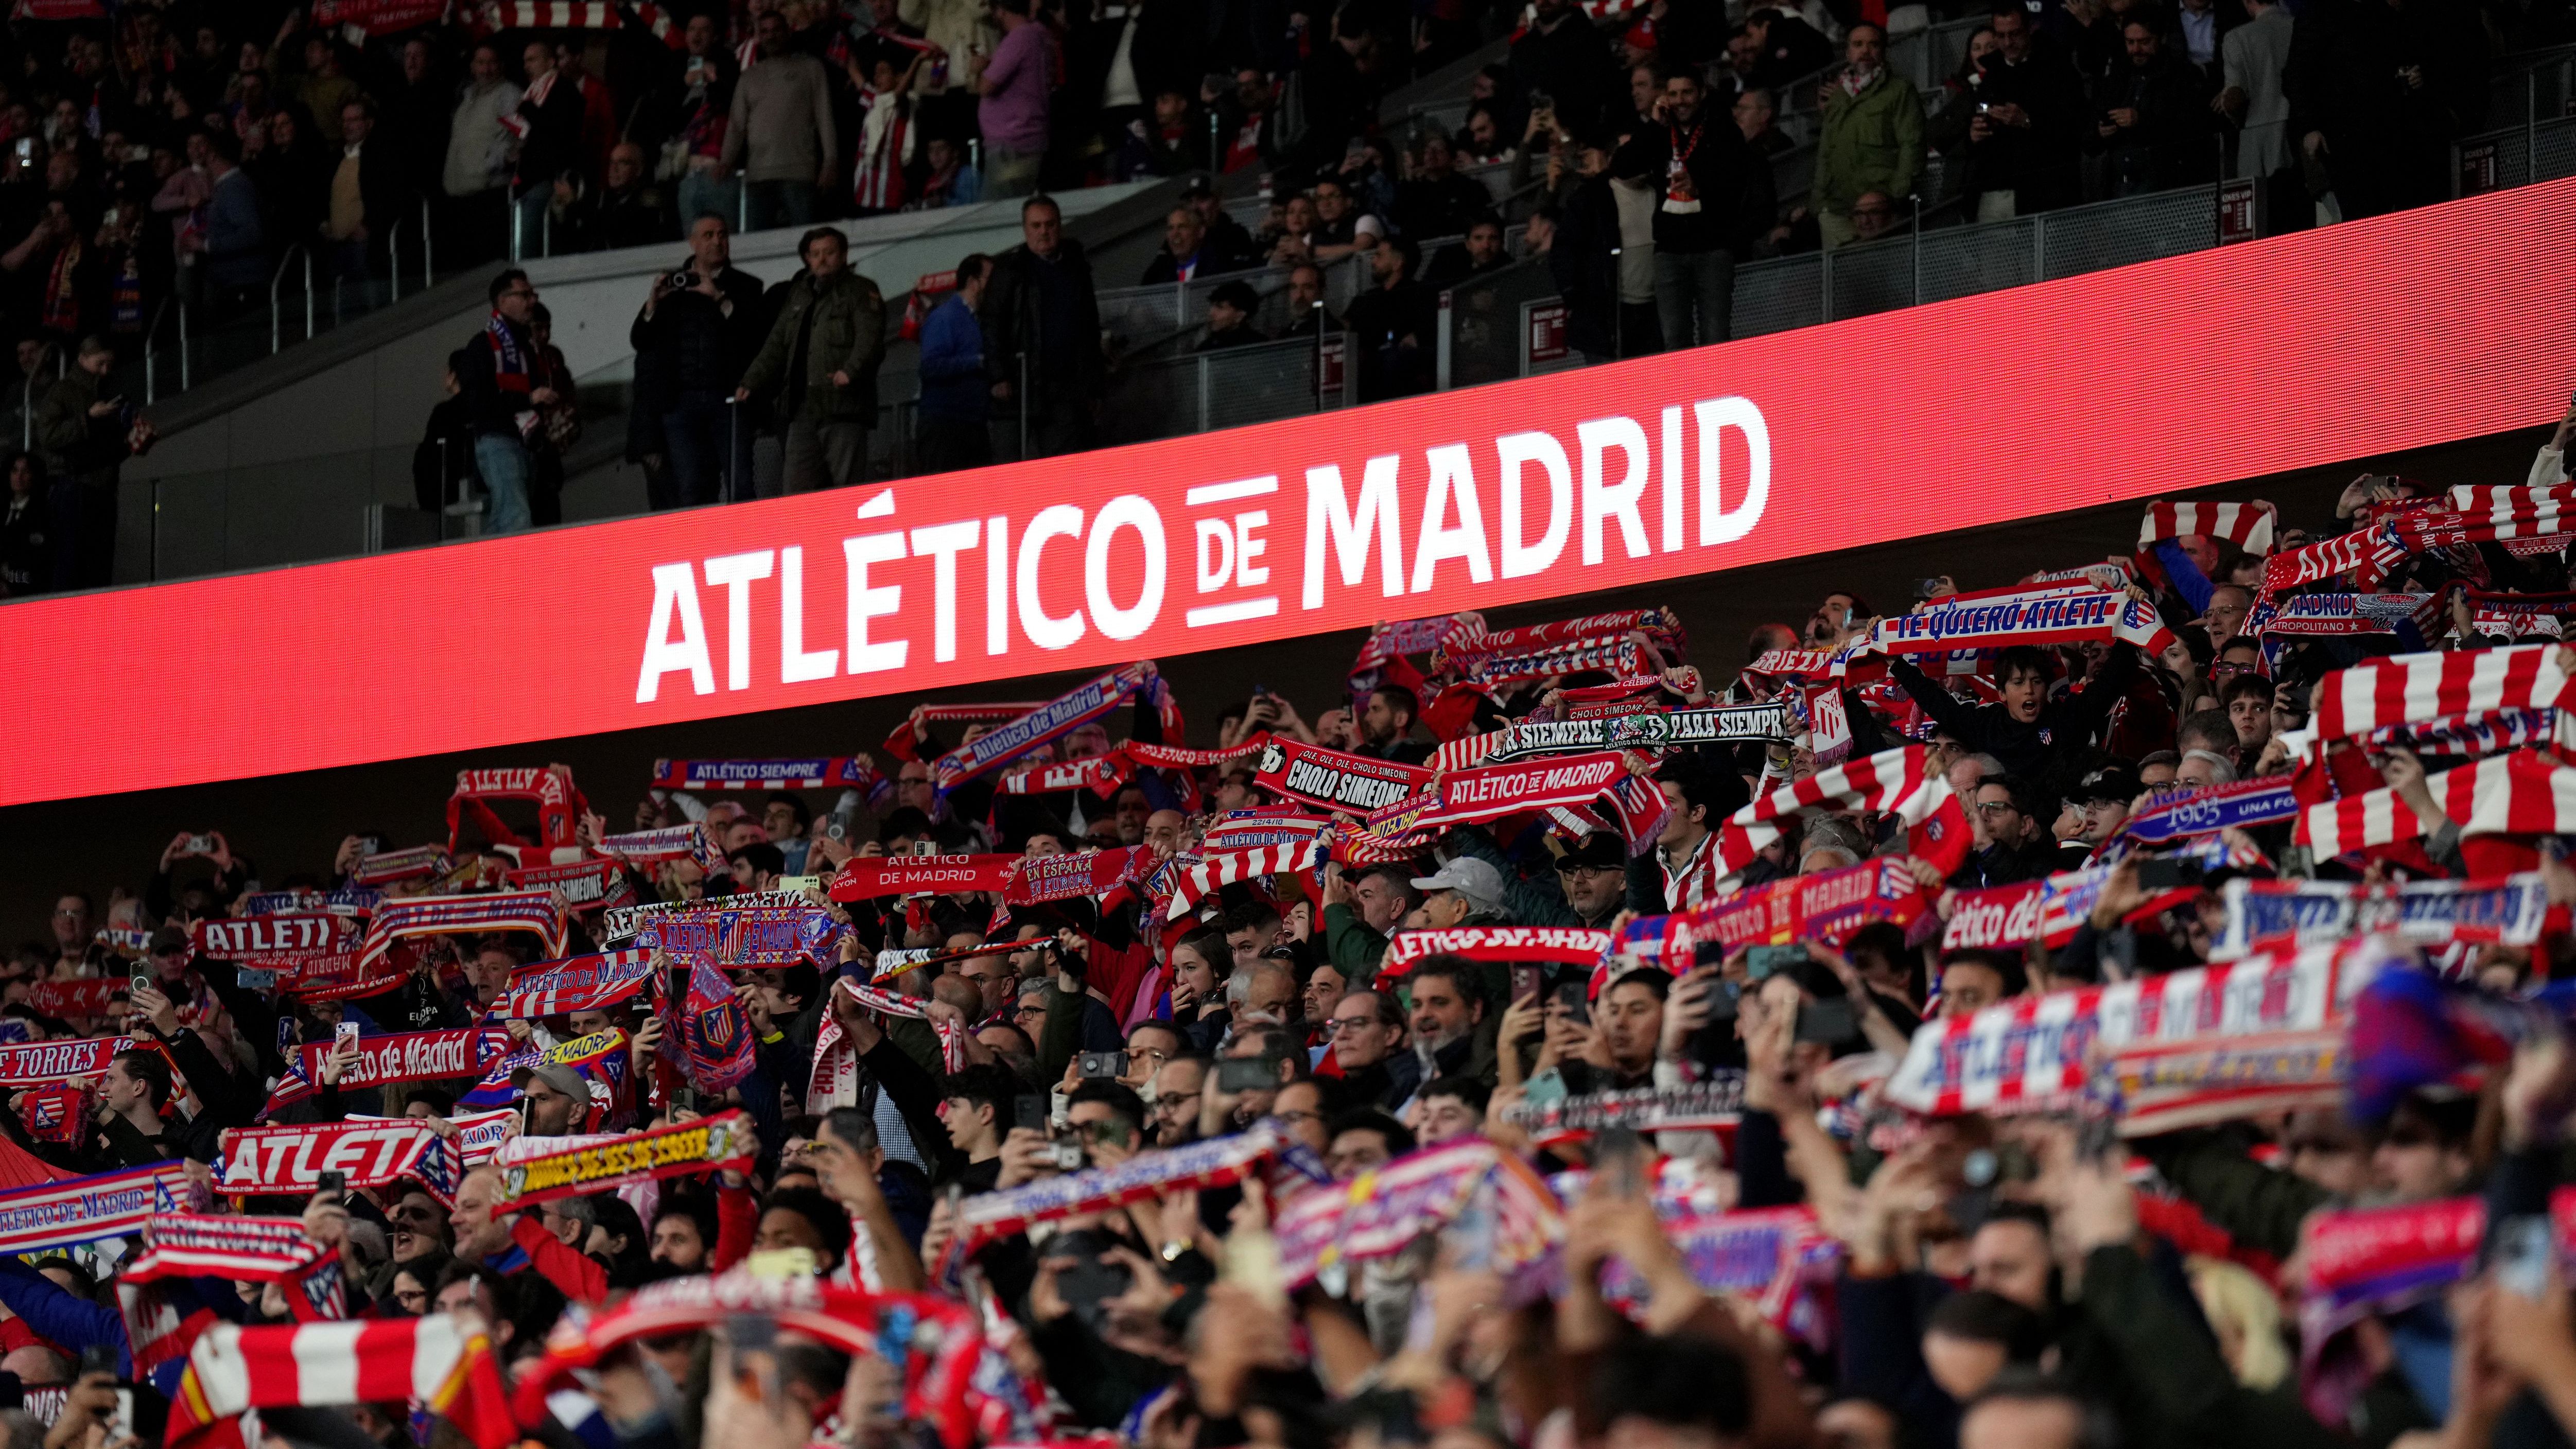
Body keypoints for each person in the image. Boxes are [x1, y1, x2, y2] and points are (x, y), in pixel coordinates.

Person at [736, 227, 887, 494]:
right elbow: (776, 343)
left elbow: (870, 339)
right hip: (801, 408)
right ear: (807, 259)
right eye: (815, 254)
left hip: (843, 405)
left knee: (848, 492)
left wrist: (850, 371)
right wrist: (751, 381)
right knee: (797, 494)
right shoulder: (799, 293)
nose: (822, 260)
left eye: (829, 253)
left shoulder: (860, 290)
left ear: (843, 255)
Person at [1613, 63, 1752, 351]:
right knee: (1675, 340)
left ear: (1701, 93)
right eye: (1673, 94)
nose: (1680, 101)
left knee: (1715, 337)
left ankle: (1716, 383)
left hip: (1713, 248)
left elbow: (1739, 181)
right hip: (1669, 252)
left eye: (1687, 93)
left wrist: (1699, 185)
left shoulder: (1723, 129)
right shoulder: (1660, 132)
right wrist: (1653, 125)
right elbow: (1621, 166)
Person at [634, 213, 762, 508]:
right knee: (691, 488)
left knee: (741, 484)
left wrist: (720, 299)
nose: (717, 241)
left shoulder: (746, 286)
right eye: (708, 235)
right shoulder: (673, 287)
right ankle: (700, 539)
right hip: (680, 403)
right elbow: (641, 340)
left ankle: (746, 536)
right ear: (692, 242)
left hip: (729, 400)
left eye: (722, 234)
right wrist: (653, 303)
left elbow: (755, 338)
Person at [981, 196, 1104, 461]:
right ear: (1025, 229)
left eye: (1049, 224)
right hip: (1017, 387)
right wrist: (999, 376)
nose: (1043, 232)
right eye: (1036, 226)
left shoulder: (1077, 268)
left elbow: (1090, 328)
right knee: (1008, 468)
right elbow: (991, 324)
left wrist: (1093, 386)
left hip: (1064, 388)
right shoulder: (1009, 271)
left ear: (1059, 226)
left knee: (1063, 466)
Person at [33, 335, 153, 589]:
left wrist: (134, 441)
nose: (106, 370)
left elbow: (107, 447)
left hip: (102, 487)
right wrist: (88, 418)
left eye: (109, 364)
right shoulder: (64, 391)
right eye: (100, 364)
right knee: (71, 565)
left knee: (98, 569)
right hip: (74, 484)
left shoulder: (108, 390)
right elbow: (48, 436)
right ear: (83, 359)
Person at [454, 269, 554, 534]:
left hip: (523, 441)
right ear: (503, 300)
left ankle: (487, 561)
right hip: (497, 440)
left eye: (533, 295)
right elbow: (477, 401)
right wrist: (529, 399)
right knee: (516, 517)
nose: (532, 301)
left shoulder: (525, 347)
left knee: (507, 519)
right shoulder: (482, 345)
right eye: (525, 295)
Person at [1964, 6, 2087, 219]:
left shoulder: (2057, 68)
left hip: (2048, 192)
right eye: (2001, 36)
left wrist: (2028, 121)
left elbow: (2075, 127)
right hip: (1996, 191)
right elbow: (1980, 109)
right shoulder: (1991, 74)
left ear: (2030, 28)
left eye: (2015, 34)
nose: (2008, 43)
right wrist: (1974, 134)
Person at [1812, 25, 1923, 249]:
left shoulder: (1899, 90)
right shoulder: (1838, 95)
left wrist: (1896, 194)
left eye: (1873, 44)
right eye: (1858, 44)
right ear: (1847, 53)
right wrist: (1820, 200)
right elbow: (1826, 150)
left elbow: (1912, 144)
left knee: (1882, 266)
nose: (1865, 50)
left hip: (1880, 207)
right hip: (1838, 207)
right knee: (1842, 270)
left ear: (1883, 51)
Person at [725, 12, 838, 233]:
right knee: (758, 246)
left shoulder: (811, 68)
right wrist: (726, 161)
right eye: (765, 31)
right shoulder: (749, 77)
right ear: (759, 37)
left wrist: (830, 161)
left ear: (787, 32)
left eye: (776, 30)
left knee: (806, 242)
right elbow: (736, 124)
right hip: (758, 176)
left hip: (799, 174)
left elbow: (825, 116)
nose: (771, 36)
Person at [2092, 22, 2218, 195]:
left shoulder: (2182, 76)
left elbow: (2191, 130)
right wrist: (2100, 132)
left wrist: (2141, 121)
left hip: (2164, 184)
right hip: (2118, 185)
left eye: (2144, 42)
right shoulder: (2118, 77)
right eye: (2130, 42)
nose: (2136, 49)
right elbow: (2089, 135)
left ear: (2162, 39)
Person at [442, 43, 521, 265]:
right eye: (481, 63)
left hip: (489, 197)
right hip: (462, 197)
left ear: (501, 65)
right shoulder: (468, 97)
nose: (486, 69)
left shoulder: (508, 95)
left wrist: (493, 163)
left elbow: (520, 137)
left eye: (492, 63)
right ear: (472, 67)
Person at [915, 252, 993, 474]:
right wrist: (977, 362)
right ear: (973, 282)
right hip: (945, 425)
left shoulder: (976, 319)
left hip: (971, 423)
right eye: (991, 279)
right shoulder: (946, 317)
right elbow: (930, 366)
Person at [322, 98, 411, 285]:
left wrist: (369, 225)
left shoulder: (381, 154)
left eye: (353, 120)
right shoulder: (336, 158)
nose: (347, 126)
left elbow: (390, 195)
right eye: (344, 120)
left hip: (366, 245)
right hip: (337, 245)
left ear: (369, 123)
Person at [973, 0, 1054, 199]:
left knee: (1000, 211)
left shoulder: (1020, 37)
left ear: (1001, 11)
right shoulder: (1040, 35)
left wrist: (978, 70)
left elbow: (986, 87)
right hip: (1027, 138)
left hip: (1012, 143)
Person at [1342, 235, 1434, 401]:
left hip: (1397, 374)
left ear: (1398, 263)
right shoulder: (1364, 299)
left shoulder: (1421, 295)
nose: (1373, 261)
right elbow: (1344, 330)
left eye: (1379, 256)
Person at [2220, 0, 2295, 183]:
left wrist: (2226, 101)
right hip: (2302, 140)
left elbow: (2235, 100)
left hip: (2259, 148)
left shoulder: (2237, 38)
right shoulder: (2300, 27)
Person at [1193, 279, 1266, 351]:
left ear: (1240, 316)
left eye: (1220, 308)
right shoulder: (1206, 347)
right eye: (1212, 306)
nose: (1211, 313)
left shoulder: (1258, 346)